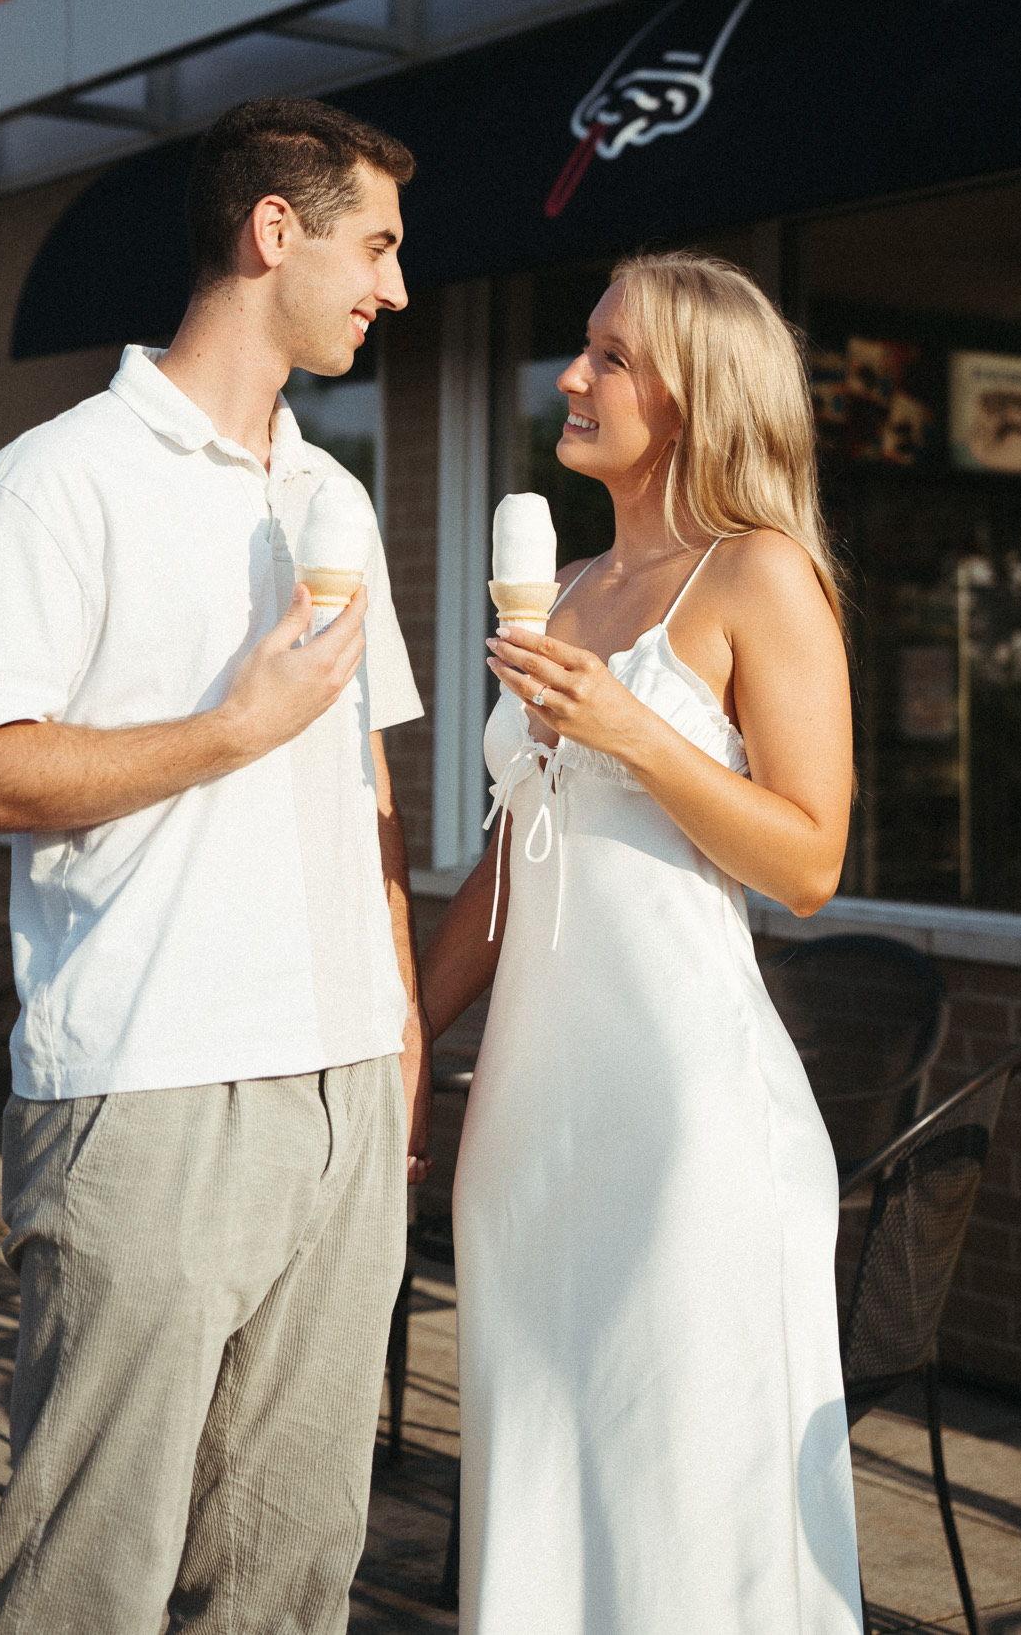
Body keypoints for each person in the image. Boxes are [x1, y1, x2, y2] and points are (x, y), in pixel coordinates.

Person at [0, 96, 432, 1635]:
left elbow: (367, 785)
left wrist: (399, 1024)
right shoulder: (60, 478)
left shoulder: (331, 494)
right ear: (275, 232)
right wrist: (224, 730)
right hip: (150, 1088)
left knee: (288, 1579)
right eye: (378, 245)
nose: (395, 287)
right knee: (88, 1580)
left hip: (342, 1087)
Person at [420, 250, 864, 1634]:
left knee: (684, 1517)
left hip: (688, 1129)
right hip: (529, 1125)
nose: (573, 375)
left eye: (612, 355)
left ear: (697, 397)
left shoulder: (761, 577)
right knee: (540, 1497)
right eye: (585, 347)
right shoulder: (565, 591)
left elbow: (807, 862)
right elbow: (517, 852)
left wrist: (632, 731)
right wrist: (402, 1034)